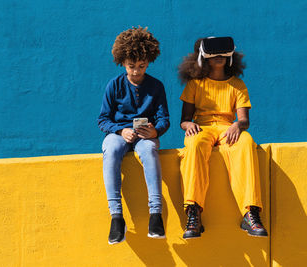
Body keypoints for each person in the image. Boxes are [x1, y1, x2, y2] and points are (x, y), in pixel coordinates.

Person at [177, 37, 268, 239]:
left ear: (230, 57)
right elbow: (184, 119)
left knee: (246, 142)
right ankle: (193, 212)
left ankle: (250, 213)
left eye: (222, 54)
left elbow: (244, 119)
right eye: (213, 54)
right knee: (193, 144)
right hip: (203, 127)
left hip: (228, 128)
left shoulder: (237, 85)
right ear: (204, 58)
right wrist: (189, 124)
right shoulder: (195, 85)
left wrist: (237, 125)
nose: (218, 58)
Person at [98, 26, 170, 244]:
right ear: (122, 63)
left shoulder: (156, 86)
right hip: (119, 133)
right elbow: (103, 119)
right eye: (131, 66)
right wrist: (121, 130)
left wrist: (155, 131)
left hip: (145, 135)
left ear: (148, 62)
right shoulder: (114, 85)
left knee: (149, 150)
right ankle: (116, 218)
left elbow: (164, 119)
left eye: (142, 65)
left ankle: (155, 216)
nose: (137, 71)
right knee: (110, 150)